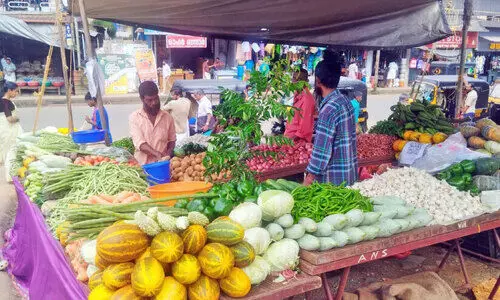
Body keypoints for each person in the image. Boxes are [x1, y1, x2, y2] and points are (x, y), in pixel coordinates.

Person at [305, 51, 358, 186]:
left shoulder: (328, 110)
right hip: (349, 174)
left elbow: (321, 152)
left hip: (333, 180)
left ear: (317, 81)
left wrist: (309, 178)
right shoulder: (345, 101)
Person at [129, 81, 176, 165]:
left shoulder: (168, 117)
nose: (154, 103)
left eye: (156, 98)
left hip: (162, 165)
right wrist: (157, 154)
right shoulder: (135, 117)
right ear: (142, 99)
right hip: (142, 166)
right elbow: (140, 143)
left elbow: (172, 141)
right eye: (149, 100)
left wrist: (168, 155)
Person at [284, 68, 316, 143]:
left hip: (297, 143)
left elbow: (304, 129)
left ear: (306, 82)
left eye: (299, 79)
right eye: (294, 78)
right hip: (289, 139)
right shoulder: (296, 94)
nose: (296, 82)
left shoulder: (307, 99)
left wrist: (290, 142)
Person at [0, 81, 23, 165]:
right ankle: (9, 176)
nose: (17, 93)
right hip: (9, 130)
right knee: (10, 154)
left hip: (6, 128)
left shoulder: (5, 100)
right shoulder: (5, 102)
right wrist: (17, 118)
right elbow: (9, 119)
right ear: (9, 90)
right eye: (16, 91)